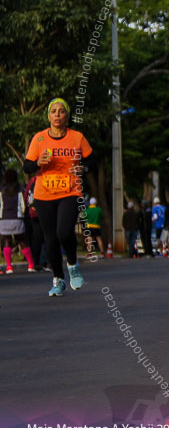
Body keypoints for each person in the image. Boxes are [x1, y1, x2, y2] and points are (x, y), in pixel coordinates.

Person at [23, 98, 94, 295]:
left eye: (61, 111)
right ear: (48, 116)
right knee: (51, 239)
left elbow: (92, 161)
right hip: (44, 194)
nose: (57, 115)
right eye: (53, 111)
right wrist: (38, 163)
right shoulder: (39, 139)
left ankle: (72, 264)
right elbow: (27, 166)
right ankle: (58, 279)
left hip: (70, 192)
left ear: (67, 116)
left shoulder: (77, 137)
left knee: (64, 232)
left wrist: (83, 167)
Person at [1, 169, 35, 273]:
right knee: (22, 241)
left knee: (7, 241)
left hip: (4, 219)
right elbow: (23, 205)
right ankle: (30, 265)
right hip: (17, 219)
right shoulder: (20, 189)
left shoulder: (2, 190)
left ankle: (9, 267)